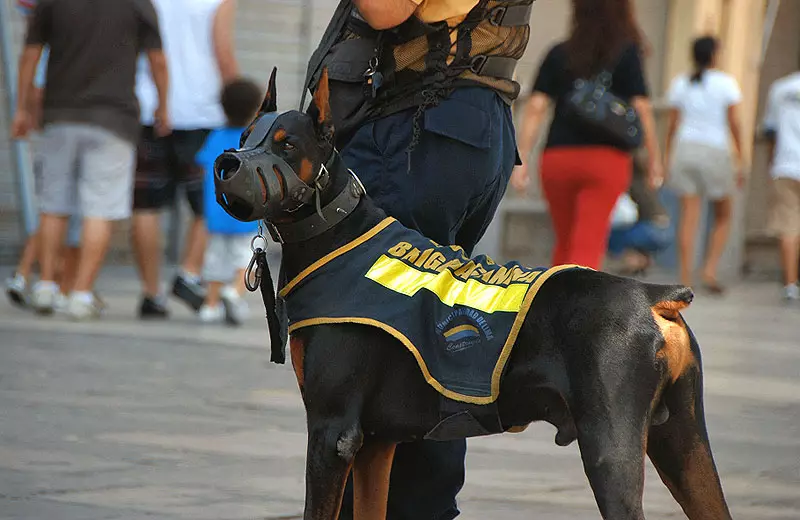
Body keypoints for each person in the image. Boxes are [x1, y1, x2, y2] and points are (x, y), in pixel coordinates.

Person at [303, 0, 534, 518]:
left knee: (372, 333)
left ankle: (406, 506)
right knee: (428, 329)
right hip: (462, 126)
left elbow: (385, 10)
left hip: (419, 129)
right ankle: (418, 504)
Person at [10, 0, 169, 319]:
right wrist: (164, 106)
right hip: (114, 119)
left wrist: (23, 108)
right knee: (100, 209)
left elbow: (30, 55)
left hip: (59, 114)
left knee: (53, 205)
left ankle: (45, 287)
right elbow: (158, 61)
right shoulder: (138, 4)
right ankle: (81, 294)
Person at [511, 0, 662, 270]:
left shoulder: (558, 53)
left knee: (565, 242)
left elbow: (536, 107)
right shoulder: (626, 53)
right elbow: (643, 110)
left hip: (558, 159)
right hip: (606, 161)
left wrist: (520, 158)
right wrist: (654, 159)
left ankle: (553, 306)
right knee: (587, 245)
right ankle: (580, 311)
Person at [132, 0, 239, 319]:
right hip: (202, 112)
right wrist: (241, 97)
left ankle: (152, 295)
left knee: (145, 206)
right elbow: (222, 50)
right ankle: (188, 272)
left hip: (150, 107)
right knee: (212, 199)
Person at [4, 0, 84, 310]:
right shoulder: (62, 39)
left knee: (52, 209)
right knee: (69, 211)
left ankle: (29, 276)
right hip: (77, 124)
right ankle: (60, 285)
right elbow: (38, 88)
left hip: (56, 128)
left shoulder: (51, 35)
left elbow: (36, 89)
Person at [664, 36, 744, 294]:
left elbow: (673, 124)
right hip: (715, 151)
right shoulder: (726, 83)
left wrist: (667, 157)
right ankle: (709, 269)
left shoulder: (680, 83)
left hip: (685, 150)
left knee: (689, 217)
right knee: (723, 214)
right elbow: (734, 122)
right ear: (714, 55)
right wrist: (740, 158)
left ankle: (686, 276)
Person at [196, 78, 262, 325]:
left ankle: (210, 306)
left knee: (215, 261)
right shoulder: (253, 141)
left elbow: (204, 166)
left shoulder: (215, 137)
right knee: (247, 260)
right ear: (256, 109)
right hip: (245, 215)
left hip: (216, 214)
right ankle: (234, 292)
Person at [762, 70, 800, 303]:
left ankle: (789, 284)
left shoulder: (780, 88)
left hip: (786, 164)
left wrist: (771, 164)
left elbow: (770, 131)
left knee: (788, 226)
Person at [608, 154, 673, 275]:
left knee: (608, 231)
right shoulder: (645, 181)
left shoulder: (629, 183)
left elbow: (627, 216)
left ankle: (633, 258)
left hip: (649, 230)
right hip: (665, 229)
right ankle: (642, 257)